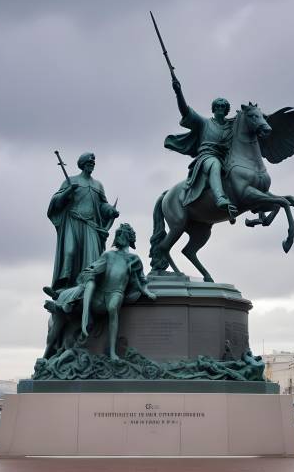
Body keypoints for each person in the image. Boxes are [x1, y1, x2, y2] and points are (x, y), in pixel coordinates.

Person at [43, 223, 156, 360]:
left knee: (113, 308)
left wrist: (147, 292)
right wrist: (90, 273)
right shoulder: (108, 255)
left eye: (122, 234)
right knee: (88, 285)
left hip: (116, 292)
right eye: (118, 234)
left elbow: (142, 280)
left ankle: (112, 352)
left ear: (129, 238)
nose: (119, 236)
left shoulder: (134, 259)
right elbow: (94, 268)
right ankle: (63, 300)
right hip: (101, 292)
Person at [44, 152, 119, 298]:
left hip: (90, 225)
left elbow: (102, 204)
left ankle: (89, 286)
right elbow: (55, 202)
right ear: (83, 164)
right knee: (70, 251)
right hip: (72, 222)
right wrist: (68, 192)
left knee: (91, 258)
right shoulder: (70, 181)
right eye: (89, 162)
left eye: (93, 163)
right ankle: (63, 287)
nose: (91, 164)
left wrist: (110, 210)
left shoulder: (98, 185)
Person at [164, 80, 238, 224]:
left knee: (243, 173)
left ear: (227, 109)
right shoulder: (204, 123)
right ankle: (219, 197)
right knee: (214, 164)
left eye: (223, 106)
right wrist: (178, 92)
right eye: (218, 106)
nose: (220, 108)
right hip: (207, 158)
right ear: (214, 109)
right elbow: (185, 111)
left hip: (226, 160)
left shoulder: (231, 126)